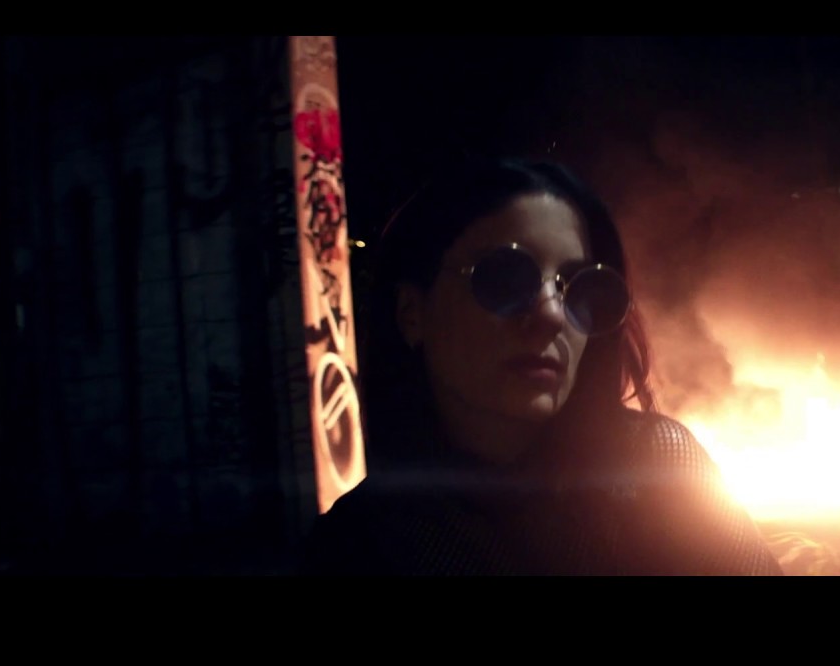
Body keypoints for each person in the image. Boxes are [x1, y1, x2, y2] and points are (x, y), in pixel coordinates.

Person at [299, 157, 782, 576]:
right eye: (505, 279)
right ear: (412, 313)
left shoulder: (656, 470)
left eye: (578, 286)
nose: (551, 314)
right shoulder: (360, 544)